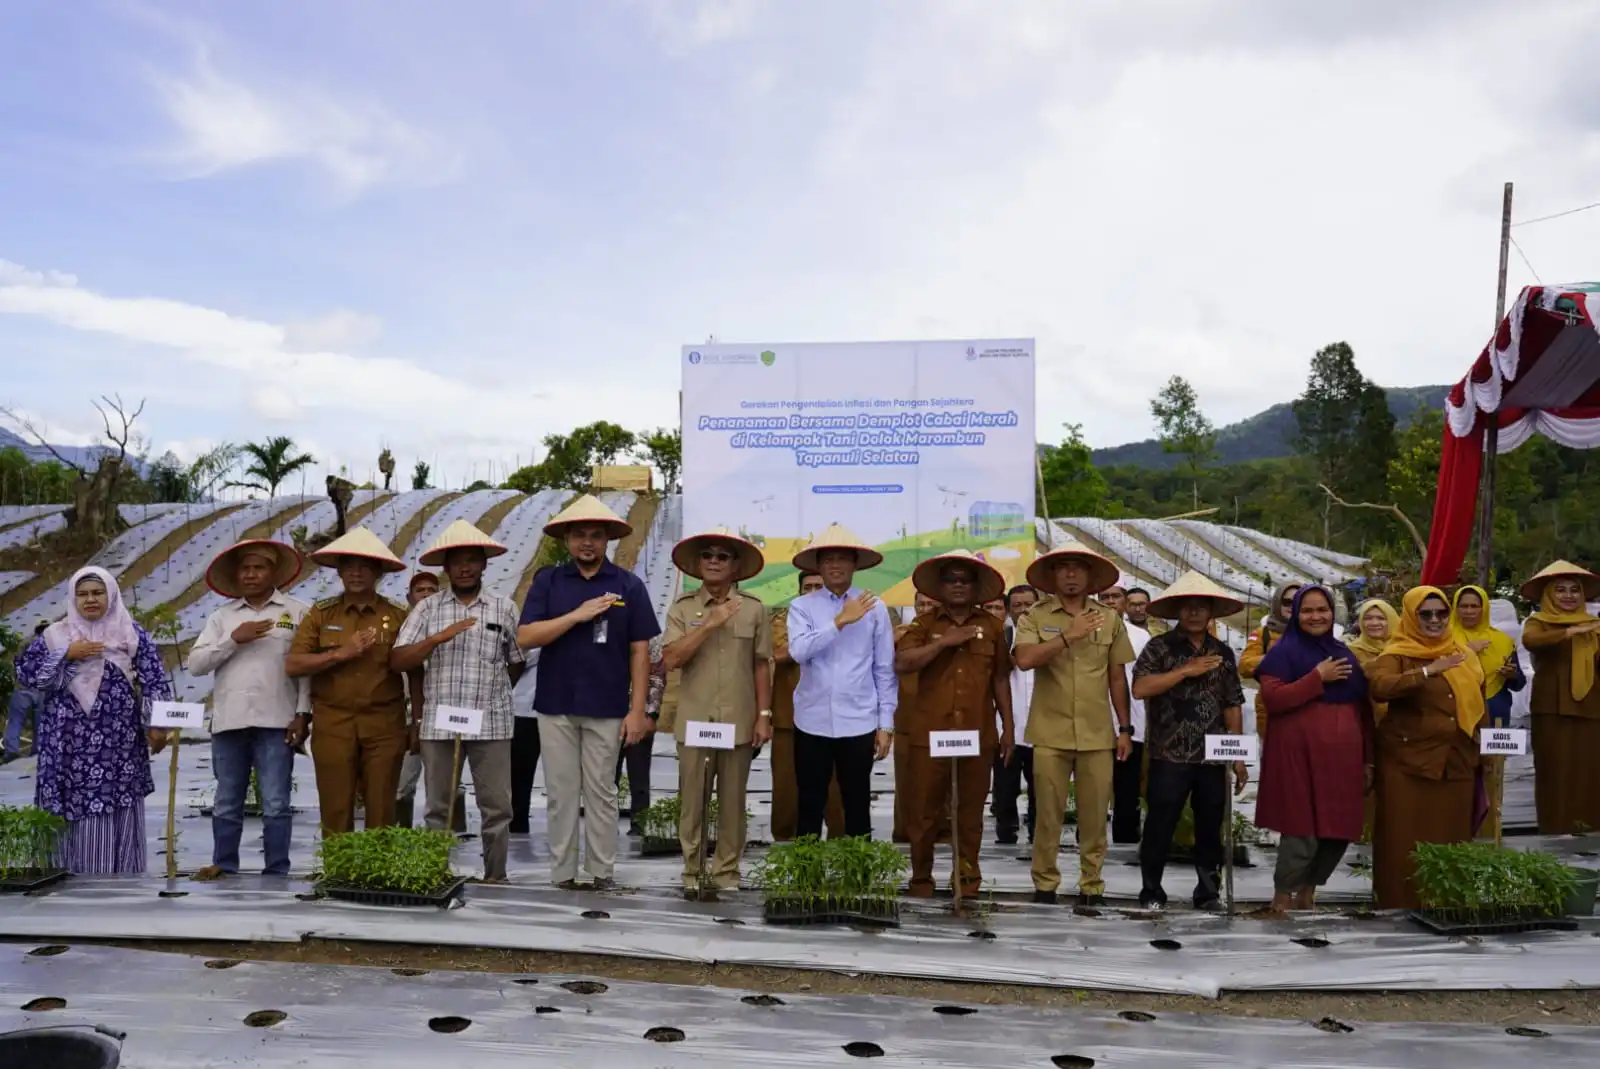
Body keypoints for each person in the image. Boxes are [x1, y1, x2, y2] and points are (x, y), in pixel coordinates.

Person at [516, 494, 657, 890]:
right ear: (567, 540)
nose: (587, 543)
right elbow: (526, 636)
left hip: (608, 705)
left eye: (596, 535)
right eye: (579, 535)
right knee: (561, 792)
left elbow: (640, 651)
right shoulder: (549, 581)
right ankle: (562, 873)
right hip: (556, 704)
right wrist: (577, 615)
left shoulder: (629, 585)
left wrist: (637, 710)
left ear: (609, 540)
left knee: (602, 791)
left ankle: (601, 871)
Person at [391, 521, 526, 882]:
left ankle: (495, 876)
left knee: (497, 807)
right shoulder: (428, 609)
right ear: (445, 569)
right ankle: (435, 875)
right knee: (438, 807)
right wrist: (437, 639)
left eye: (472, 560)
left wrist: (493, 694)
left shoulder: (503, 608)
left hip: (493, 722)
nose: (465, 568)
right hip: (440, 721)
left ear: (484, 564)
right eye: (457, 562)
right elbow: (399, 660)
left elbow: (516, 662)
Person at [15, 567, 172, 874]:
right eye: (82, 594)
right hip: (66, 738)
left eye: (97, 593)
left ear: (110, 595)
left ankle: (118, 869)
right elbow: (27, 674)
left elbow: (154, 678)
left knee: (115, 793)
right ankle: (65, 869)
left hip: (117, 736)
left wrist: (156, 724)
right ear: (73, 598)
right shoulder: (55, 635)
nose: (90, 600)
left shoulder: (129, 631)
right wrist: (66, 653)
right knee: (69, 795)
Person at [1014, 541, 1135, 906]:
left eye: (1077, 568)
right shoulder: (1034, 616)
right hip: (1049, 732)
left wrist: (1125, 729)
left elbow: (1117, 677)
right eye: (1063, 567)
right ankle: (1045, 883)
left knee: (1096, 814)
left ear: (1089, 576)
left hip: (1098, 732)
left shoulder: (1110, 618)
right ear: (1052, 576)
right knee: (1047, 814)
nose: (1070, 574)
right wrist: (1068, 636)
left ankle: (1091, 883)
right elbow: (1024, 660)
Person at [186, 539, 308, 878]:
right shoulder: (222, 618)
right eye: (245, 569)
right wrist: (233, 639)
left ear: (273, 573)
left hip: (277, 720)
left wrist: (302, 713)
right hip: (230, 722)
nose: (251, 574)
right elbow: (195, 664)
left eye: (259, 568)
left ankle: (277, 870)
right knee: (226, 800)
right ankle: (224, 865)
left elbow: (306, 670)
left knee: (276, 801)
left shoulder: (296, 612)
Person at [661, 527, 771, 898]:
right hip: (695, 719)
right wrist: (709, 623)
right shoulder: (682, 608)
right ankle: (692, 869)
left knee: (732, 802)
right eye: (707, 555)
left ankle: (726, 871)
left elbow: (761, 664)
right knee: (692, 800)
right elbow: (672, 659)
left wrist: (764, 714)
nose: (713, 561)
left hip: (738, 718)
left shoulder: (754, 609)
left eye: (722, 556)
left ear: (735, 565)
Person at [894, 551, 1013, 897]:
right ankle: (921, 879)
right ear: (941, 587)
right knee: (925, 812)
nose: (958, 585)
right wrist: (946, 642)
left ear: (976, 587)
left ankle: (966, 879)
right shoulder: (924, 625)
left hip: (978, 733)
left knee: (970, 813)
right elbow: (902, 662)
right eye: (951, 579)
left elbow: (1001, 680)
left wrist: (1008, 727)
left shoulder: (991, 627)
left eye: (965, 580)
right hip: (929, 735)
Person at [1131, 571, 1248, 910]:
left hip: (1212, 754)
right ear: (1177, 611)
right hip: (1169, 753)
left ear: (1211, 611)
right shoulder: (1160, 647)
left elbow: (1232, 704)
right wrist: (1185, 670)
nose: (1194, 613)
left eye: (1201, 607)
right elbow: (1140, 688)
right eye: (1187, 607)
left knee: (1211, 823)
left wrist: (1237, 755)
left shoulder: (1223, 652)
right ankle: (1151, 890)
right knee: (1160, 823)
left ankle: (1208, 891)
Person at [286, 528, 414, 834]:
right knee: (335, 804)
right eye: (349, 566)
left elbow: (417, 669)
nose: (356, 573)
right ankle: (337, 874)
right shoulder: (320, 613)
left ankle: (375, 876)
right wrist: (339, 654)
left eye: (365, 566)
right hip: (333, 721)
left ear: (379, 572)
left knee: (382, 803)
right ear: (340, 571)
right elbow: (294, 664)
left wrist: (417, 721)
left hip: (385, 722)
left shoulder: (398, 615)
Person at [1253, 585, 1373, 913]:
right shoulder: (1283, 653)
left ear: (1333, 613)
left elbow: (1362, 711)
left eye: (1322, 610)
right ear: (1293, 614)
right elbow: (1274, 699)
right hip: (1298, 757)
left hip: (1343, 759)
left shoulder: (1344, 653)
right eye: (1307, 610)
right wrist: (1317, 677)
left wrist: (1367, 760)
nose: (1315, 616)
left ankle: (1307, 894)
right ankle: (1281, 899)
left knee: (1338, 828)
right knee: (1301, 829)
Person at [1366, 586, 1484, 908]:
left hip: (1456, 759)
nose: (1435, 620)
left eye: (1442, 613)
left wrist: (1481, 754)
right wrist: (1427, 671)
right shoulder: (1396, 653)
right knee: (1404, 838)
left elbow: (1477, 704)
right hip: (1407, 762)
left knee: (1452, 835)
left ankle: (1449, 903)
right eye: (1426, 614)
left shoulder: (1463, 654)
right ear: (1410, 616)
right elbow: (1380, 687)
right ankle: (1399, 904)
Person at [785, 524, 897, 838]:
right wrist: (839, 621)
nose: (835, 566)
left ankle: (859, 879)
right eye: (828, 559)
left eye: (842, 559)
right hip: (812, 718)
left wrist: (885, 724)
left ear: (855, 564)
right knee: (809, 803)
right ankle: (807, 879)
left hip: (859, 719)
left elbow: (884, 668)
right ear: (818, 566)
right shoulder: (802, 606)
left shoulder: (875, 608)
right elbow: (799, 651)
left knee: (858, 803)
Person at [1518, 561, 1600, 835]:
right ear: (1549, 595)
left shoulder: (1594, 626)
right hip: (1551, 710)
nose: (1568, 596)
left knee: (1589, 773)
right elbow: (1531, 642)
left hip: (1591, 708)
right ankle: (1554, 830)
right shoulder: (1538, 623)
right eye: (1561, 590)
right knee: (1555, 773)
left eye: (1574, 590)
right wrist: (1567, 632)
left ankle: (1589, 831)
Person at [769, 571, 846, 840]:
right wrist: (822, 635)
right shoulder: (782, 619)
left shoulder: (847, 618)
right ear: (799, 590)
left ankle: (841, 848)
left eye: (819, 587)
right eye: (808, 587)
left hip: (836, 718)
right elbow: (778, 654)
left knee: (837, 791)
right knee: (787, 790)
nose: (813, 591)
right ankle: (787, 848)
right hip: (788, 719)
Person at [1104, 575, 1150, 844]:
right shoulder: (1085, 630)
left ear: (1124, 600)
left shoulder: (1140, 636)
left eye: (1115, 596)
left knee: (1127, 786)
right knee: (1094, 787)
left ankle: (1125, 839)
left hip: (1131, 721)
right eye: (1104, 597)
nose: (1110, 602)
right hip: (1095, 719)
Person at [892, 590, 939, 844]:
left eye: (931, 603)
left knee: (940, 785)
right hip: (906, 720)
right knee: (906, 783)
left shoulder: (947, 632)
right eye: (921, 604)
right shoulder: (901, 635)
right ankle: (903, 834)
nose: (925, 608)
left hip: (941, 721)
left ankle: (940, 837)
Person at [992, 584, 1038, 844]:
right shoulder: (1001, 638)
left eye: (1028, 604)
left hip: (1041, 728)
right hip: (1007, 727)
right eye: (1017, 605)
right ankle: (1006, 833)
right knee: (1005, 788)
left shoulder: (1049, 638)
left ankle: (1037, 834)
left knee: (1040, 789)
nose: (1024, 610)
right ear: (1009, 610)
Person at [395, 571, 441, 829]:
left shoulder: (450, 627)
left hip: (441, 714)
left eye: (431, 590)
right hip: (407, 716)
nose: (425, 594)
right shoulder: (399, 631)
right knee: (402, 783)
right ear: (409, 597)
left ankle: (449, 837)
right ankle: (400, 835)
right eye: (420, 590)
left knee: (445, 784)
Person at [1238, 582, 1301, 740]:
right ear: (1277, 603)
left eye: (1298, 601)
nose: (1291, 606)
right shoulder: (1263, 633)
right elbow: (1245, 665)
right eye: (1286, 601)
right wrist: (1273, 659)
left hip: (1305, 710)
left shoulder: (1313, 634)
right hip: (1271, 710)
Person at [3, 621, 48, 761]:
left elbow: (16, 664)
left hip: (22, 688)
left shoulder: (25, 644)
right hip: (42, 690)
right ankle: (36, 753)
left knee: (15, 721)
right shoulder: (53, 645)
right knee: (40, 724)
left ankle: (11, 751)